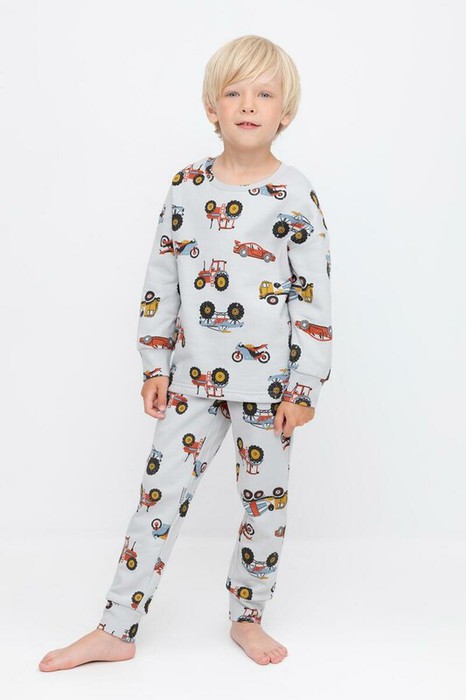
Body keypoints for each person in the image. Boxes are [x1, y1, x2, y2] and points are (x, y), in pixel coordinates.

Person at [39, 33, 332, 671]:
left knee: (263, 512)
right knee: (157, 498)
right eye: (233, 92)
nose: (248, 105)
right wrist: (154, 361)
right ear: (211, 107)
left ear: (285, 112)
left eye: (264, 94)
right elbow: (163, 277)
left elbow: (312, 298)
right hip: (192, 380)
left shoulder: (296, 194)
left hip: (269, 390)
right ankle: (117, 627)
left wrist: (304, 387)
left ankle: (248, 617)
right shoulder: (187, 186)